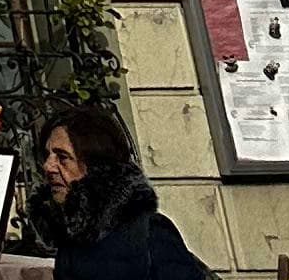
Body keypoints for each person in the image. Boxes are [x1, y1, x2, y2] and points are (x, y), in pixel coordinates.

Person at [23, 101, 212, 280]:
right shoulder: (72, 238)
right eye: (47, 155)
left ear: (95, 165)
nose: (48, 166)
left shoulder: (149, 232)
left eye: (62, 157)